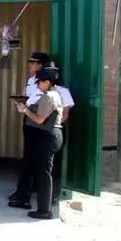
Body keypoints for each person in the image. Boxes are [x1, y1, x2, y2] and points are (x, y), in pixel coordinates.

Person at [9, 67, 65, 219]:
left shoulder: (49, 97)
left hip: (48, 136)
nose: (38, 85)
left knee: (44, 174)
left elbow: (40, 119)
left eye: (39, 82)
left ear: (47, 82)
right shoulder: (53, 94)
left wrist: (25, 110)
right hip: (51, 135)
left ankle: (45, 210)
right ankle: (44, 208)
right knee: (44, 173)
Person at [7, 51, 50, 205]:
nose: (30, 65)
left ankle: (25, 195)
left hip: (40, 119)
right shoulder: (31, 80)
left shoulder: (46, 83)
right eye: (30, 62)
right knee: (28, 157)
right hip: (30, 117)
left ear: (41, 65)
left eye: (34, 63)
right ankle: (23, 191)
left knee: (35, 159)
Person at [45, 62, 75, 202]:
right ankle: (41, 191)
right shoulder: (40, 90)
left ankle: (53, 194)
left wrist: (53, 125)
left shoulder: (63, 91)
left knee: (55, 164)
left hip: (55, 129)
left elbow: (66, 114)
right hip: (40, 129)